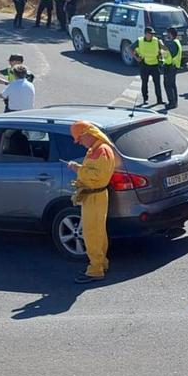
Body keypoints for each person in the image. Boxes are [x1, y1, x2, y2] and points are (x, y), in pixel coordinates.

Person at [67, 121, 117, 284]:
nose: (79, 143)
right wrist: (81, 169)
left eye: (79, 140)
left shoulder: (101, 150)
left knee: (92, 233)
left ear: (87, 134)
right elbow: (95, 172)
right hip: (94, 195)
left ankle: (95, 269)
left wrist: (78, 169)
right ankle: (101, 263)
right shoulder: (96, 149)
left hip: (95, 196)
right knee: (97, 232)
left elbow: (97, 175)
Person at [132, 26, 165, 105]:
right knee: (144, 83)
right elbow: (130, 48)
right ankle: (145, 99)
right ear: (146, 34)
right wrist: (136, 58)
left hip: (155, 65)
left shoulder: (156, 40)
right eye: (151, 34)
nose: (152, 35)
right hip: (144, 64)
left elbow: (164, 49)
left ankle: (159, 100)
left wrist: (161, 46)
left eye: (153, 34)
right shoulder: (140, 41)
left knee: (157, 83)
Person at [161, 28, 183, 109]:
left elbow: (166, 51)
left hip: (170, 66)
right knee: (172, 85)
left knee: (168, 85)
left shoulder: (173, 43)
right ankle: (174, 102)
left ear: (171, 34)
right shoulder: (176, 42)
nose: (166, 35)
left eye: (168, 34)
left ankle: (172, 103)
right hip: (173, 66)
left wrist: (160, 43)